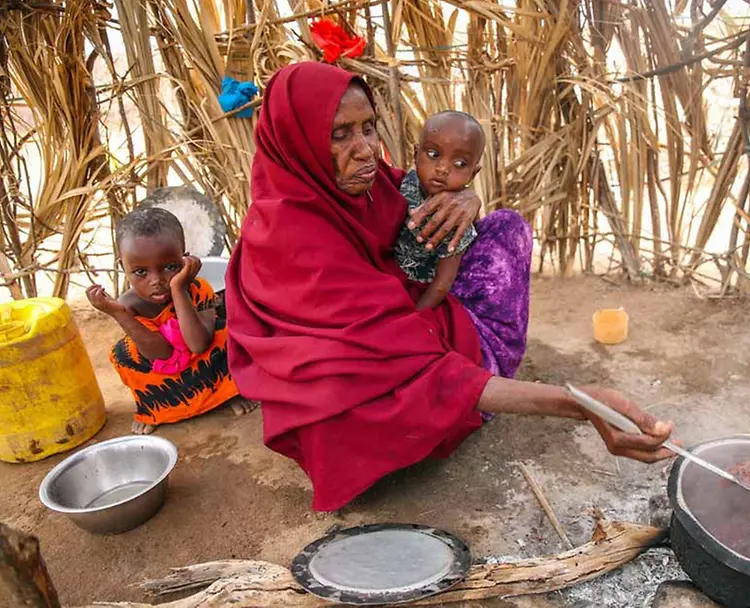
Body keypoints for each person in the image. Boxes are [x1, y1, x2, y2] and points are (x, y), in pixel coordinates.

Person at [224, 62, 676, 512]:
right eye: (340, 134)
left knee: (505, 229)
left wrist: (465, 197)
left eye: (369, 128)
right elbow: (392, 354)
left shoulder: (363, 182)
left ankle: (478, 378)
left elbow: (418, 190)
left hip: (405, 317)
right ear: (296, 138)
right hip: (354, 360)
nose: (365, 150)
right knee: (340, 409)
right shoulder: (290, 234)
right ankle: (469, 396)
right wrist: (579, 403)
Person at [87, 207, 257, 435]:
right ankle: (159, 410)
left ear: (184, 259)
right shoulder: (127, 305)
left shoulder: (198, 290)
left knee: (226, 332)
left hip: (200, 357)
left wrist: (178, 290)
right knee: (122, 354)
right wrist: (118, 314)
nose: (157, 280)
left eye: (170, 267)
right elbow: (160, 354)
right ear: (122, 266)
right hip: (163, 369)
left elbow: (198, 344)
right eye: (140, 272)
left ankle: (225, 395)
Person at [394, 111, 484, 311]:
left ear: (473, 173)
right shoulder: (401, 185)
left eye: (460, 163)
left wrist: (415, 316)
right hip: (384, 281)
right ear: (415, 155)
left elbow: (442, 284)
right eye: (433, 154)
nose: (443, 168)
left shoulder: (460, 222)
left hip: (420, 293)